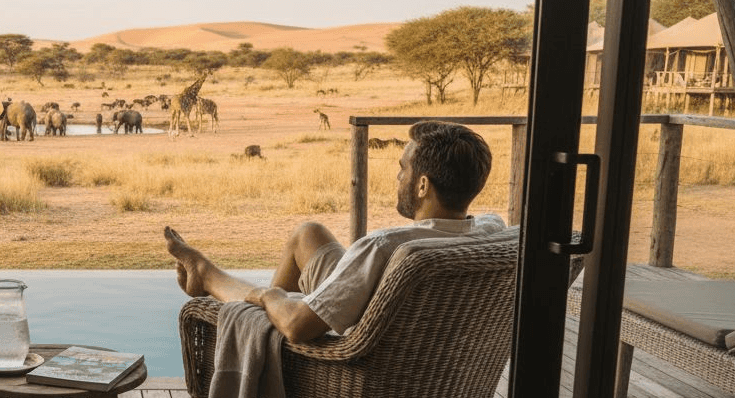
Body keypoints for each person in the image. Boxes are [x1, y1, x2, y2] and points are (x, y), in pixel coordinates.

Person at [165, 120, 505, 344]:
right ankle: (261, 316)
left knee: (273, 304)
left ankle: (208, 276)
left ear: (422, 186)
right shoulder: (494, 231)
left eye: (402, 170)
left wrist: (269, 296)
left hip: (354, 359)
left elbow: (300, 327)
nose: (397, 178)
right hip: (412, 335)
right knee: (308, 233)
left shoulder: (385, 247)